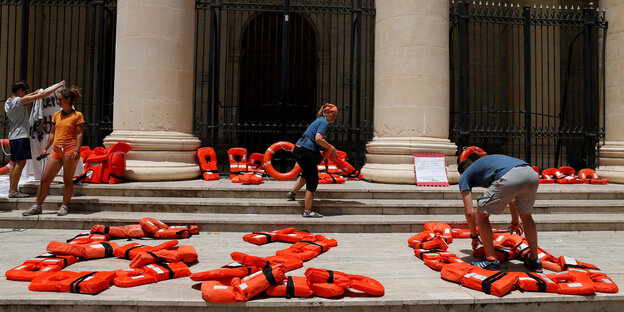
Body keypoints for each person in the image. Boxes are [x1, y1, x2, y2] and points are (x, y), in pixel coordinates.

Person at [458, 154, 542, 272]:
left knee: (481, 214)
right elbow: (512, 198)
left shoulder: (464, 176)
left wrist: (474, 236)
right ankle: (535, 261)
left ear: (461, 173)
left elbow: (469, 213)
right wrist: (515, 221)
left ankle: (491, 260)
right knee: (527, 216)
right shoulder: (486, 167)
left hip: (511, 176)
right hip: (531, 173)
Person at [22, 86, 84, 216]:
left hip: (70, 149)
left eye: (60, 99)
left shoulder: (77, 115)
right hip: (56, 150)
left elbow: (79, 134)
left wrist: (77, 150)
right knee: (45, 179)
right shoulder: (56, 115)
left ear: (68, 100)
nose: (58, 102)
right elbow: (52, 134)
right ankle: (37, 206)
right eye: (58, 99)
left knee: (67, 180)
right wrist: (45, 148)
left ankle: (64, 206)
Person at [4, 80, 66, 198]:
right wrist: (59, 85)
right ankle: (13, 191)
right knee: (20, 163)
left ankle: (12, 189)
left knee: (15, 163)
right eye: (25, 91)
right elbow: (41, 96)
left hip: (13, 136)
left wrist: (33, 93)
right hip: (21, 136)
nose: (26, 93)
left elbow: (28, 96)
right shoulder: (19, 101)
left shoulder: (8, 102)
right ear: (20, 90)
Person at [287, 103, 339, 218]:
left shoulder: (319, 120)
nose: (334, 117)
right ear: (326, 112)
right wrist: (331, 148)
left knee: (307, 173)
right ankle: (308, 210)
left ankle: (292, 193)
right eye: (333, 114)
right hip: (306, 152)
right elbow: (318, 139)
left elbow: (315, 140)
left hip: (299, 149)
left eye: (336, 115)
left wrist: (325, 148)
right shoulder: (324, 122)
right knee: (313, 180)